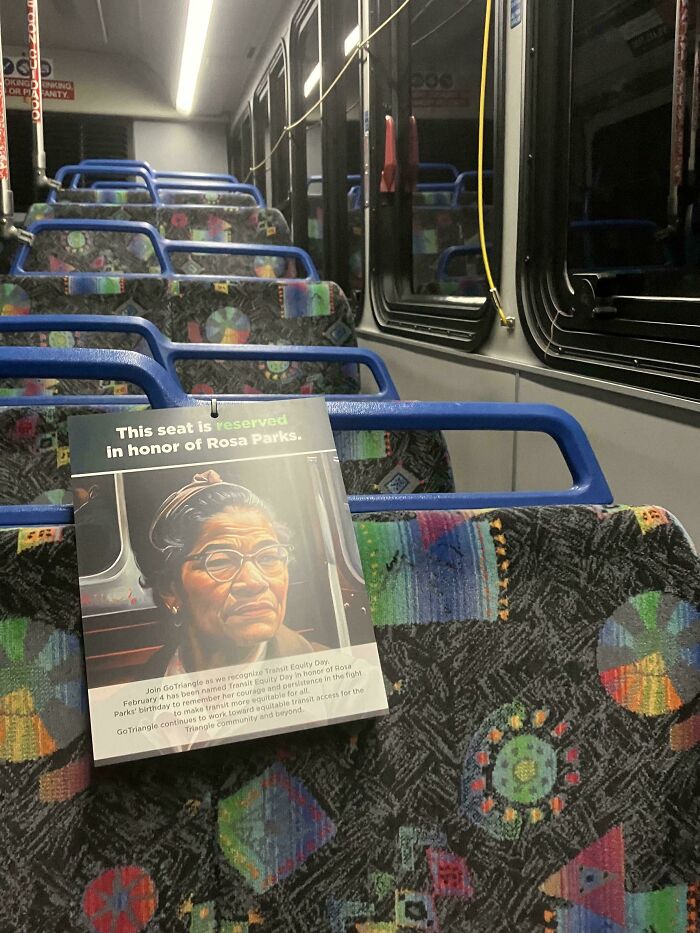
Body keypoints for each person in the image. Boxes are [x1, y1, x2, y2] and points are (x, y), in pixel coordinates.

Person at [144, 469, 324, 676]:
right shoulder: (146, 684)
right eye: (221, 561)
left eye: (268, 558)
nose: (254, 582)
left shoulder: (336, 678)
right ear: (170, 590)